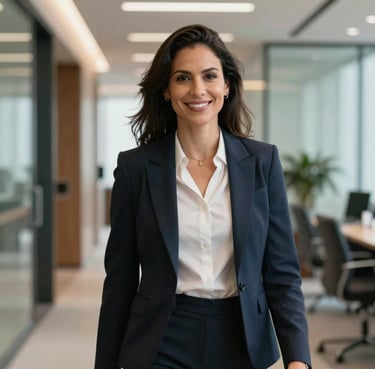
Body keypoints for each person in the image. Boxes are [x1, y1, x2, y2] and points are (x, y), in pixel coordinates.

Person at [94, 24, 311, 369]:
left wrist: (298, 358)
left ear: (226, 85)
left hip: (241, 335)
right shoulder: (136, 168)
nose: (198, 90)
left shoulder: (262, 162)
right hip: (162, 336)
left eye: (209, 76)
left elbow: (282, 271)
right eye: (182, 78)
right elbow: (119, 278)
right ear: (166, 89)